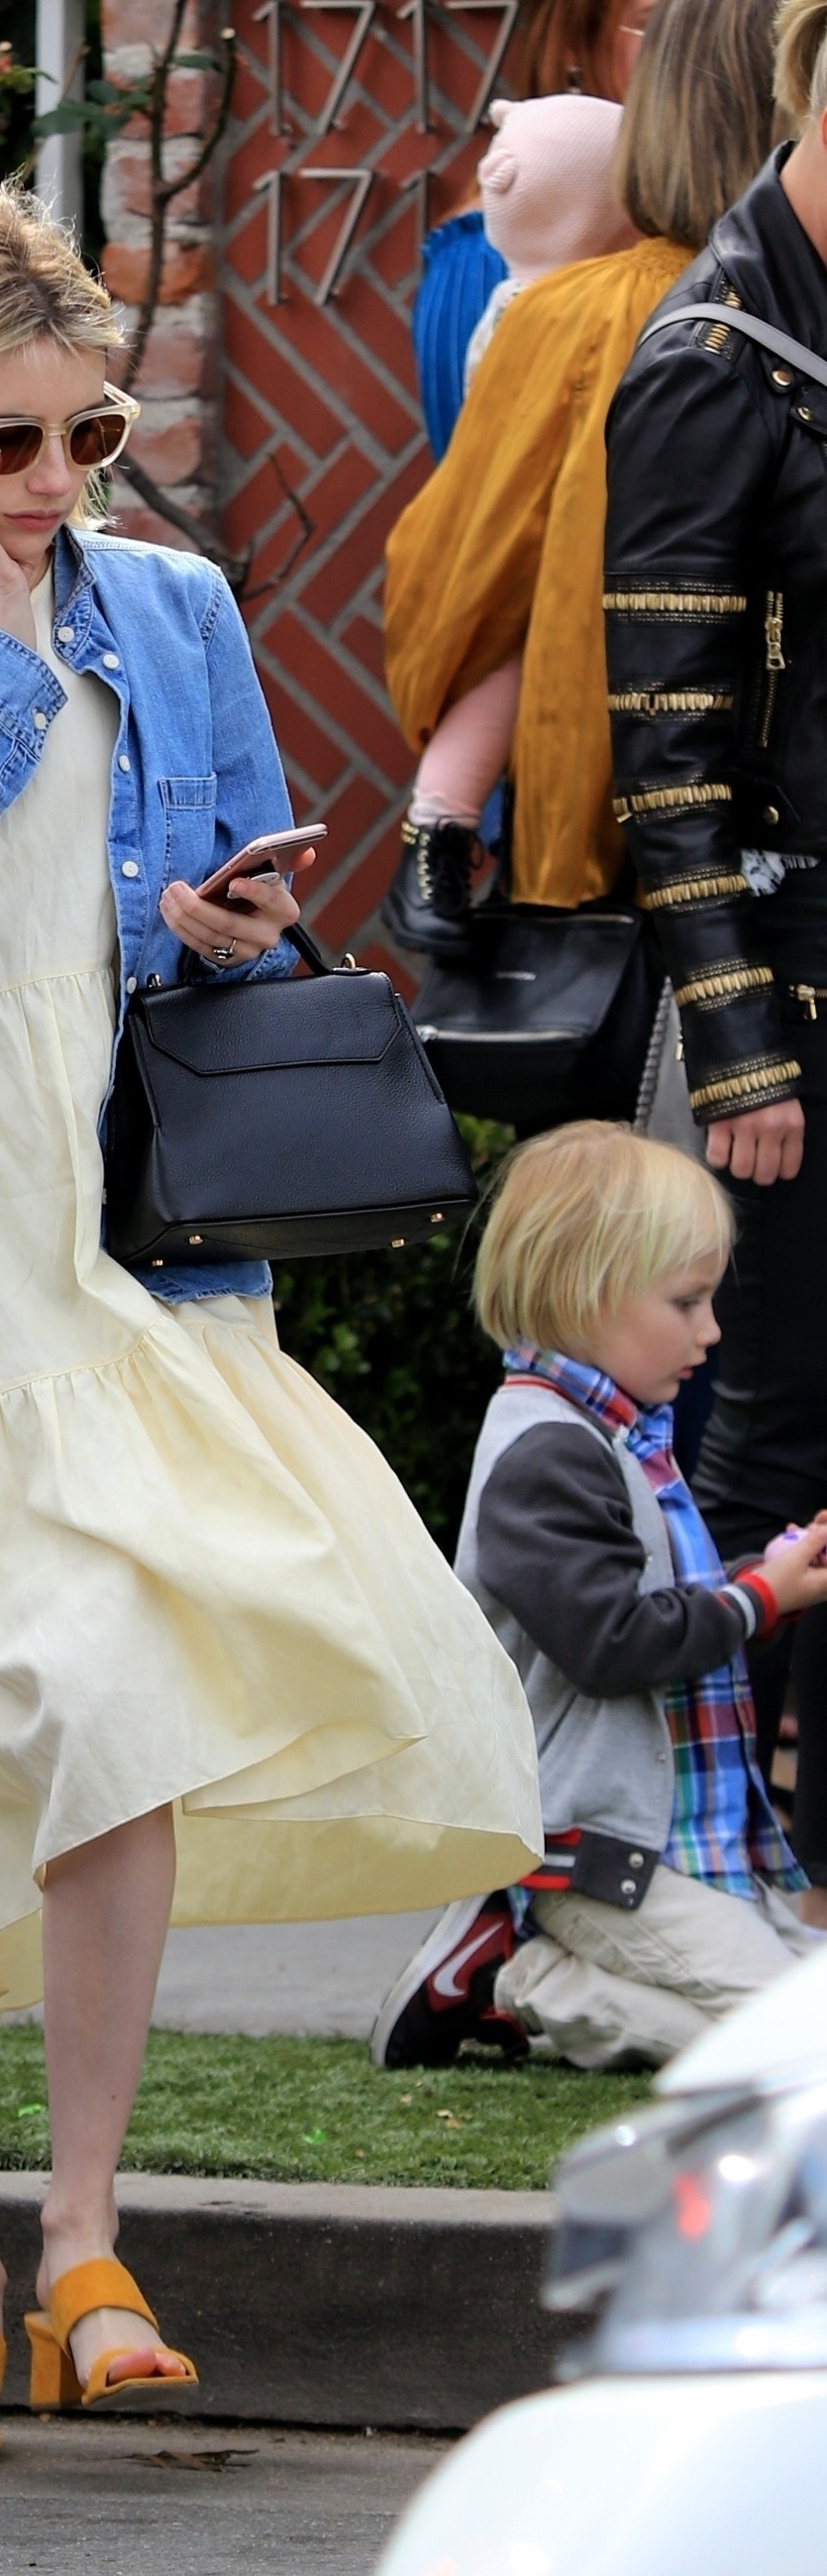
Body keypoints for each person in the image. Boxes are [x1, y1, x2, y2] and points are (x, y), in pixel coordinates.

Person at [0, 186, 541, 2463]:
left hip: (110, 1250)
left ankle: (81, 2235)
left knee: (110, 1706)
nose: (62, 481)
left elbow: (209, 924)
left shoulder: (174, 609)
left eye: (94, 435)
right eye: (15, 440)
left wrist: (220, 925)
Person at [602, 0, 827, 1930]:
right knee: (764, 1424)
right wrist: (739, 1049)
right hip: (791, 980)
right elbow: (659, 750)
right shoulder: (710, 355)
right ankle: (715, 1865)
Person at [371, 1124, 823, 2075]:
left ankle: (536, 1974)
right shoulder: (546, 1455)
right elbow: (614, 1643)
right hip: (595, 1860)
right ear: (587, 1291)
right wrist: (757, 1598)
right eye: (687, 1302)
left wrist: (770, 1576)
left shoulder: (614, 1435)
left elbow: (659, 1605)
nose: (711, 1331)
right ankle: (532, 1981)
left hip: (668, 1855)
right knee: (799, 2048)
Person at [383, 0, 779, 956]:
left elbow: (470, 573)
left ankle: (437, 822)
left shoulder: (583, 299)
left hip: (617, 806)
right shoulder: (576, 294)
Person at [397, 93, 636, 950]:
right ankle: (436, 831)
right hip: (547, 554)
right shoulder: (563, 311)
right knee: (510, 676)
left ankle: (437, 832)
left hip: (523, 545)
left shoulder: (515, 297)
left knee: (500, 685)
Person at [410, 0, 655, 464]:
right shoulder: (485, 261)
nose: (694, 49)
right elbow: (485, 487)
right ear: (573, 44)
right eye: (658, 22)